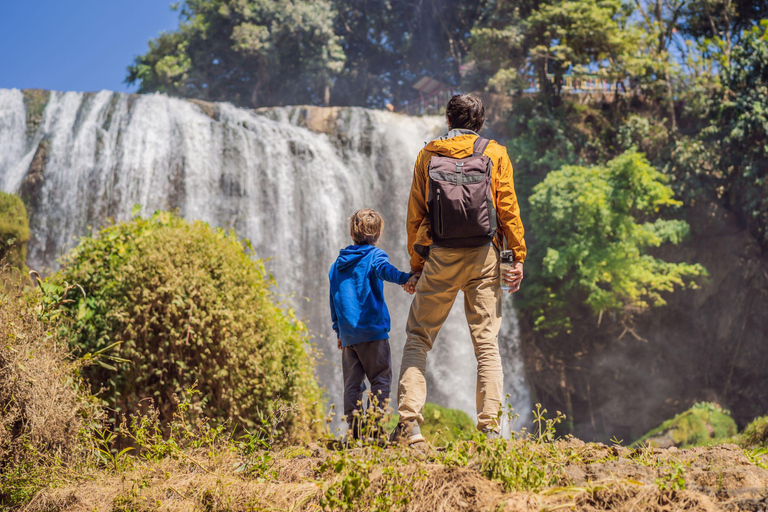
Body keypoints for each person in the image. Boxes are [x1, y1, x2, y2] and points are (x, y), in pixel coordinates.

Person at [390, 94, 526, 446]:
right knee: (487, 344)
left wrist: (417, 266)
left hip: (441, 257)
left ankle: (410, 428)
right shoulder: (495, 152)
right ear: (479, 123)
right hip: (484, 256)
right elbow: (507, 209)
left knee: (419, 338)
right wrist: (516, 257)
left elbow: (415, 215)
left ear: (448, 120)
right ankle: (491, 431)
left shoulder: (428, 154)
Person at [329, 209, 418, 439]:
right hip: (373, 332)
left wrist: (338, 330)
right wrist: (406, 278)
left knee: (352, 384)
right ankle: (373, 426)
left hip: (349, 337)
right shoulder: (374, 256)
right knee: (380, 378)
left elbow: (333, 299)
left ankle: (355, 430)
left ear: (352, 232)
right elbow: (385, 271)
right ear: (378, 234)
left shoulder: (337, 265)